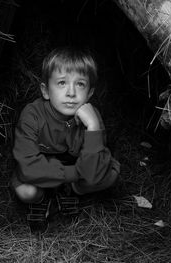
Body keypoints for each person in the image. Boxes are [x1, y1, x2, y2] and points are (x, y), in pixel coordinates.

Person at [11, 47, 120, 232]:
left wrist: (93, 126)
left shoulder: (92, 117)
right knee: (26, 192)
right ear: (45, 91)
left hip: (74, 166)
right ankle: (42, 198)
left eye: (80, 84)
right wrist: (75, 174)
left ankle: (69, 190)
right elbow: (28, 168)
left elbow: (96, 173)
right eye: (62, 83)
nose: (71, 93)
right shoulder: (32, 115)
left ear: (90, 93)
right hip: (43, 168)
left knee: (110, 175)